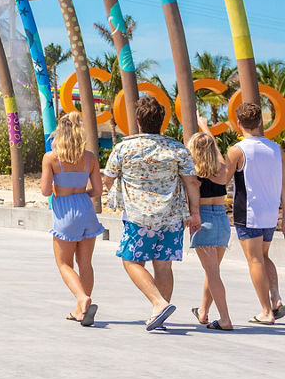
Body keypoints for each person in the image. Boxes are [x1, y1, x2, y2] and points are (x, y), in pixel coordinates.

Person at [103, 95, 201, 331]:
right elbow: (191, 182)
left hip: (139, 218)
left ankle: (158, 303)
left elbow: (108, 179)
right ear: (162, 122)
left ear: (138, 121)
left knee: (131, 260)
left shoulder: (123, 148)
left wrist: (125, 196)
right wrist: (195, 213)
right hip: (172, 217)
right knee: (164, 266)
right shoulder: (177, 149)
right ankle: (159, 314)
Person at [217, 102, 285, 324]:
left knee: (254, 260)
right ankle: (275, 298)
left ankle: (266, 311)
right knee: (264, 257)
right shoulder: (276, 149)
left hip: (249, 212)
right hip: (270, 212)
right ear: (260, 123)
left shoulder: (238, 150)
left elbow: (224, 179)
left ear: (238, 124)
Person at [39, 113, 105, 326]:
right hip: (86, 208)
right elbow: (98, 189)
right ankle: (80, 311)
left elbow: (45, 190)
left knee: (64, 263)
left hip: (65, 211)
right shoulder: (89, 158)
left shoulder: (51, 158)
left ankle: (82, 298)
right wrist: (82, 195)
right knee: (85, 263)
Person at [186, 129, 234, 330]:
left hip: (203, 220)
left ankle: (225, 319)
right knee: (212, 271)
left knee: (212, 273)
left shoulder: (192, 174)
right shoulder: (222, 169)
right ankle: (203, 311)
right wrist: (206, 130)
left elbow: (190, 201)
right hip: (222, 221)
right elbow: (217, 153)